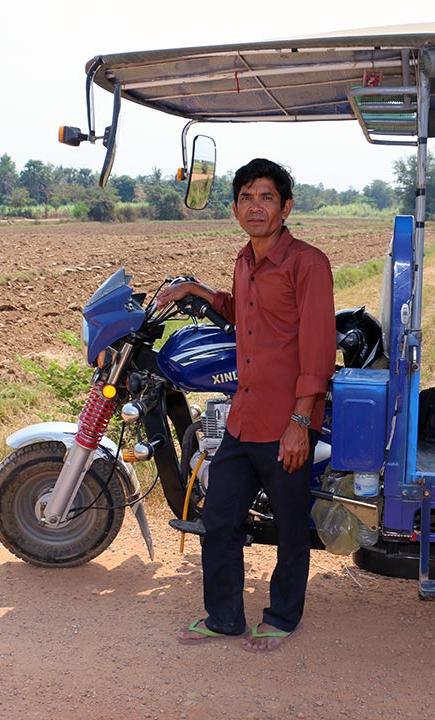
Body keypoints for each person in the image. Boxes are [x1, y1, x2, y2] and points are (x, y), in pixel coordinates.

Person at [156, 158, 335, 653]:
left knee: (291, 525)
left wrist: (301, 421)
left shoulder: (307, 263)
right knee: (221, 519)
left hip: (286, 421)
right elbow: (242, 313)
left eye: (266, 197)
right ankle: (224, 618)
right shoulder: (244, 260)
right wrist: (197, 291)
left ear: (286, 207)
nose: (255, 207)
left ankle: (282, 617)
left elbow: (319, 348)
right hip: (244, 415)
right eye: (246, 198)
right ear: (235, 208)